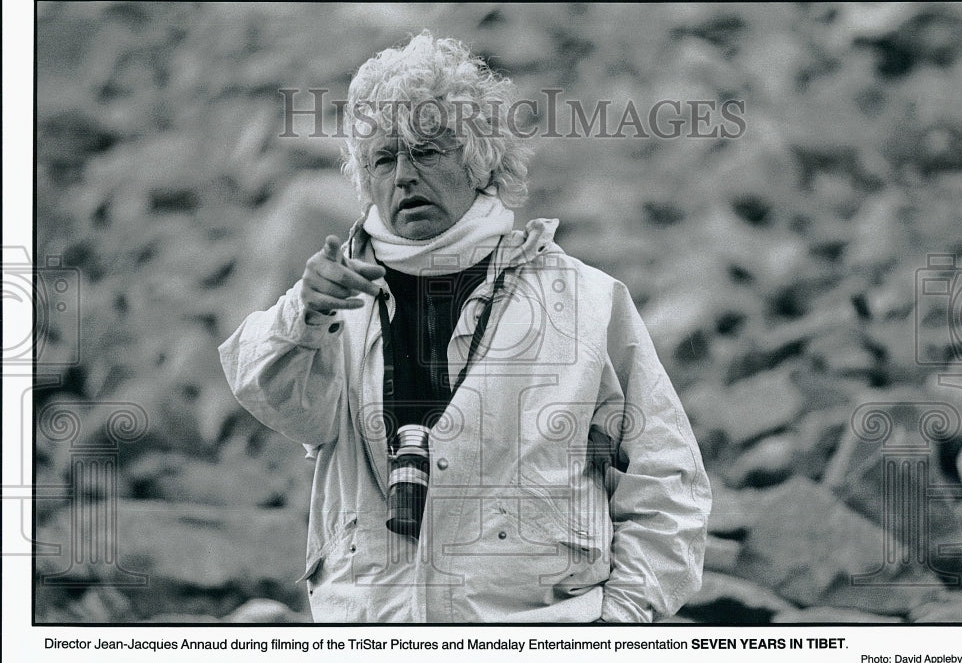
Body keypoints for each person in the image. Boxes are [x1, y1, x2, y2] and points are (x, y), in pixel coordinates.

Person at [219, 32, 711, 623]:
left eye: (426, 152)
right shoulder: (334, 301)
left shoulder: (585, 302)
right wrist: (304, 313)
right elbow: (272, 399)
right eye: (383, 158)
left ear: (480, 160)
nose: (403, 176)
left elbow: (668, 480)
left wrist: (620, 618)